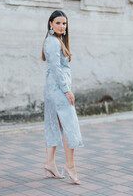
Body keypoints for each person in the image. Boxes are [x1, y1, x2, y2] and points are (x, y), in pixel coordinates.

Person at [41, 10, 84, 185]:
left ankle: (50, 163)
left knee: (55, 123)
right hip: (58, 89)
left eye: (64, 23)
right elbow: (56, 69)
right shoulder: (52, 42)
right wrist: (67, 90)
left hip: (54, 87)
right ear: (50, 24)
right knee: (69, 125)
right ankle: (70, 165)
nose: (61, 26)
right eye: (57, 23)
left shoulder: (56, 41)